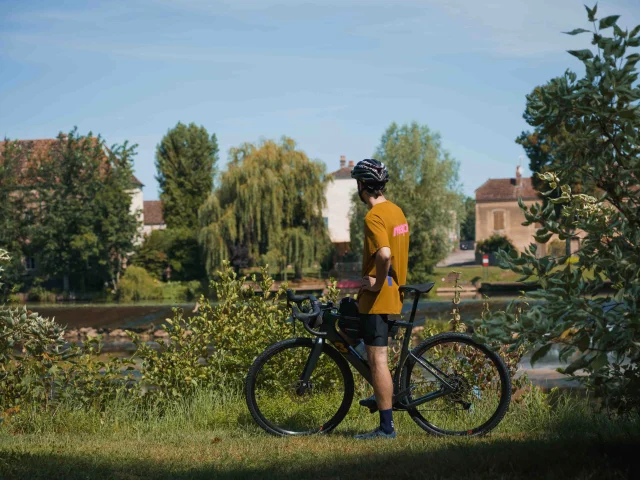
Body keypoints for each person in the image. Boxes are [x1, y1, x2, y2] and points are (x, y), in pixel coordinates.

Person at [350, 158, 409, 440]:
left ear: (363, 185)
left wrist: (374, 284)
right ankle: (381, 395)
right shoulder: (397, 212)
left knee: (378, 360)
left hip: (379, 297)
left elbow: (384, 254)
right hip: (395, 292)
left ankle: (386, 429)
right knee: (375, 356)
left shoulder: (373, 216)